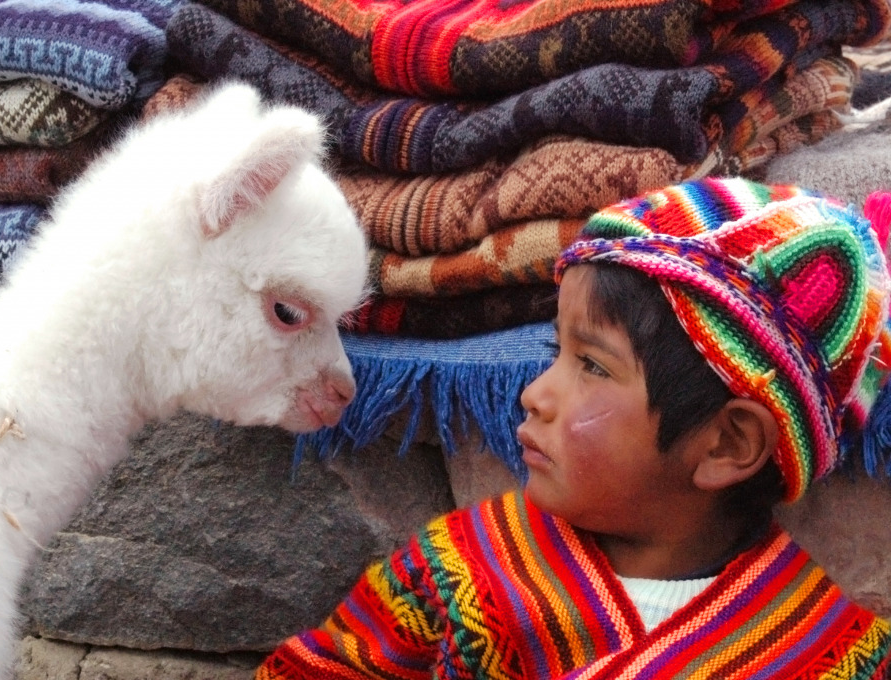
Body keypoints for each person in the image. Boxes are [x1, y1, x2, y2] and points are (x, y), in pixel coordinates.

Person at [256, 177, 891, 679]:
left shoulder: (831, 658)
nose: (534, 393)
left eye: (591, 364)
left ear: (728, 443)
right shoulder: (464, 571)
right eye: (555, 351)